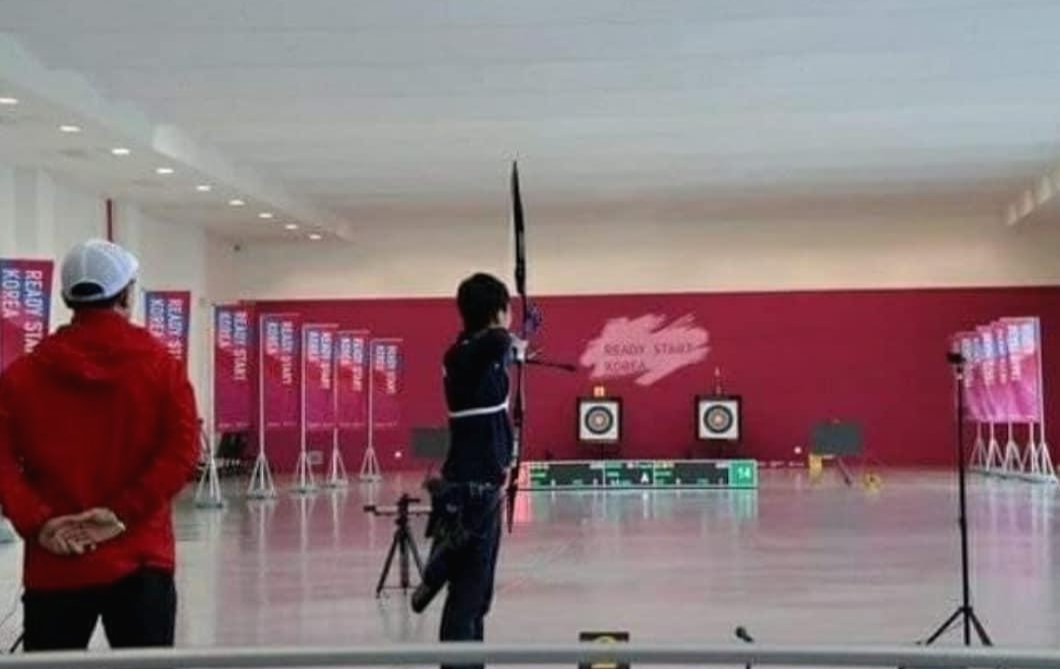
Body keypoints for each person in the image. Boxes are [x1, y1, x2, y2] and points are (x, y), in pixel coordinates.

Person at [0, 239, 199, 651]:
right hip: (140, 557)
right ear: (126, 296)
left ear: (66, 298)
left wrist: (39, 523)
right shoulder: (162, 369)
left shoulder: (21, 378)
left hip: (56, 559)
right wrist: (121, 514)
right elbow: (181, 451)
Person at [414, 272, 523, 669]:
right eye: (505, 308)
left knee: (478, 597)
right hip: (469, 491)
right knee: (467, 595)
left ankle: (439, 572)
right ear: (495, 312)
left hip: (482, 486)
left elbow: (503, 346)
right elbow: (499, 342)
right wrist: (508, 332)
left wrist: (517, 337)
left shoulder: (479, 353)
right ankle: (437, 574)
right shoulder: (463, 354)